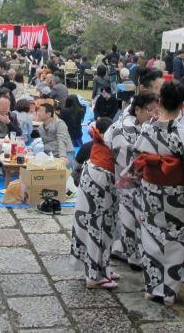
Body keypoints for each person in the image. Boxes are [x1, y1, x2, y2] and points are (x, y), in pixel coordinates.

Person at [129, 81, 184, 306]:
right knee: (175, 237)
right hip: (177, 191)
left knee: (151, 235)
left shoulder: (148, 128)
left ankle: (152, 287)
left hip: (151, 189)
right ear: (182, 104)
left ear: (159, 101)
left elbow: (137, 159)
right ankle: (169, 291)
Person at [106, 93, 160, 271]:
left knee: (130, 218)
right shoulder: (125, 128)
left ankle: (125, 251)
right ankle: (133, 257)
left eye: (157, 109)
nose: (154, 113)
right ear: (137, 110)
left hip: (129, 178)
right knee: (128, 218)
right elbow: (129, 161)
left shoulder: (141, 125)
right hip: (122, 178)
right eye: (150, 109)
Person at [70, 117, 118, 288]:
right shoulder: (122, 129)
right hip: (100, 180)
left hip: (94, 178)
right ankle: (95, 273)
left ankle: (101, 268)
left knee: (102, 225)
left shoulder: (93, 143)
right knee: (99, 225)